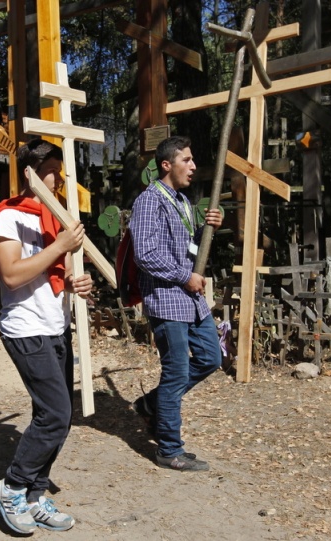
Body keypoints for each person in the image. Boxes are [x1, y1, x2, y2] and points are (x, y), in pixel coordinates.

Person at [0, 139, 92, 534]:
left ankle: (35, 493)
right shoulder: (9, 217)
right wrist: (61, 245)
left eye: (61, 170)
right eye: (52, 169)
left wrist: (78, 281)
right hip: (26, 327)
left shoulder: (53, 217)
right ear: (31, 172)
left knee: (57, 419)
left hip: (56, 324)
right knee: (56, 414)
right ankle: (12, 486)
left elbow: (53, 273)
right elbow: (12, 274)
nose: (59, 178)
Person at [130, 135, 224, 472]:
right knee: (177, 372)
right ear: (167, 164)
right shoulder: (149, 202)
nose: (194, 166)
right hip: (167, 300)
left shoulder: (182, 202)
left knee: (212, 358)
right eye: (187, 159)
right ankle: (169, 450)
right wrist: (184, 277)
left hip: (191, 299)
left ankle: (151, 404)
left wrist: (205, 232)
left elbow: (185, 250)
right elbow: (146, 254)